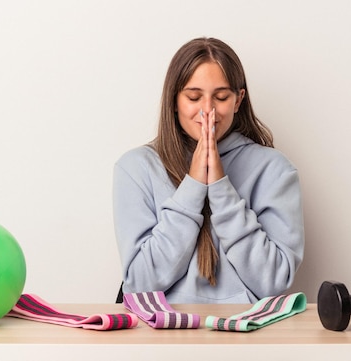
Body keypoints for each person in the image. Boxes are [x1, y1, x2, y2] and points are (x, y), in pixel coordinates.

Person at [113, 37, 305, 304]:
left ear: (238, 101)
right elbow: (139, 285)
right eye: (193, 97)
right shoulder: (135, 167)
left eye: (221, 97)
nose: (208, 111)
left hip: (246, 334)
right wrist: (192, 186)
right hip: (160, 336)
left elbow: (274, 282)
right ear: (174, 101)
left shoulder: (275, 169)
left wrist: (220, 187)